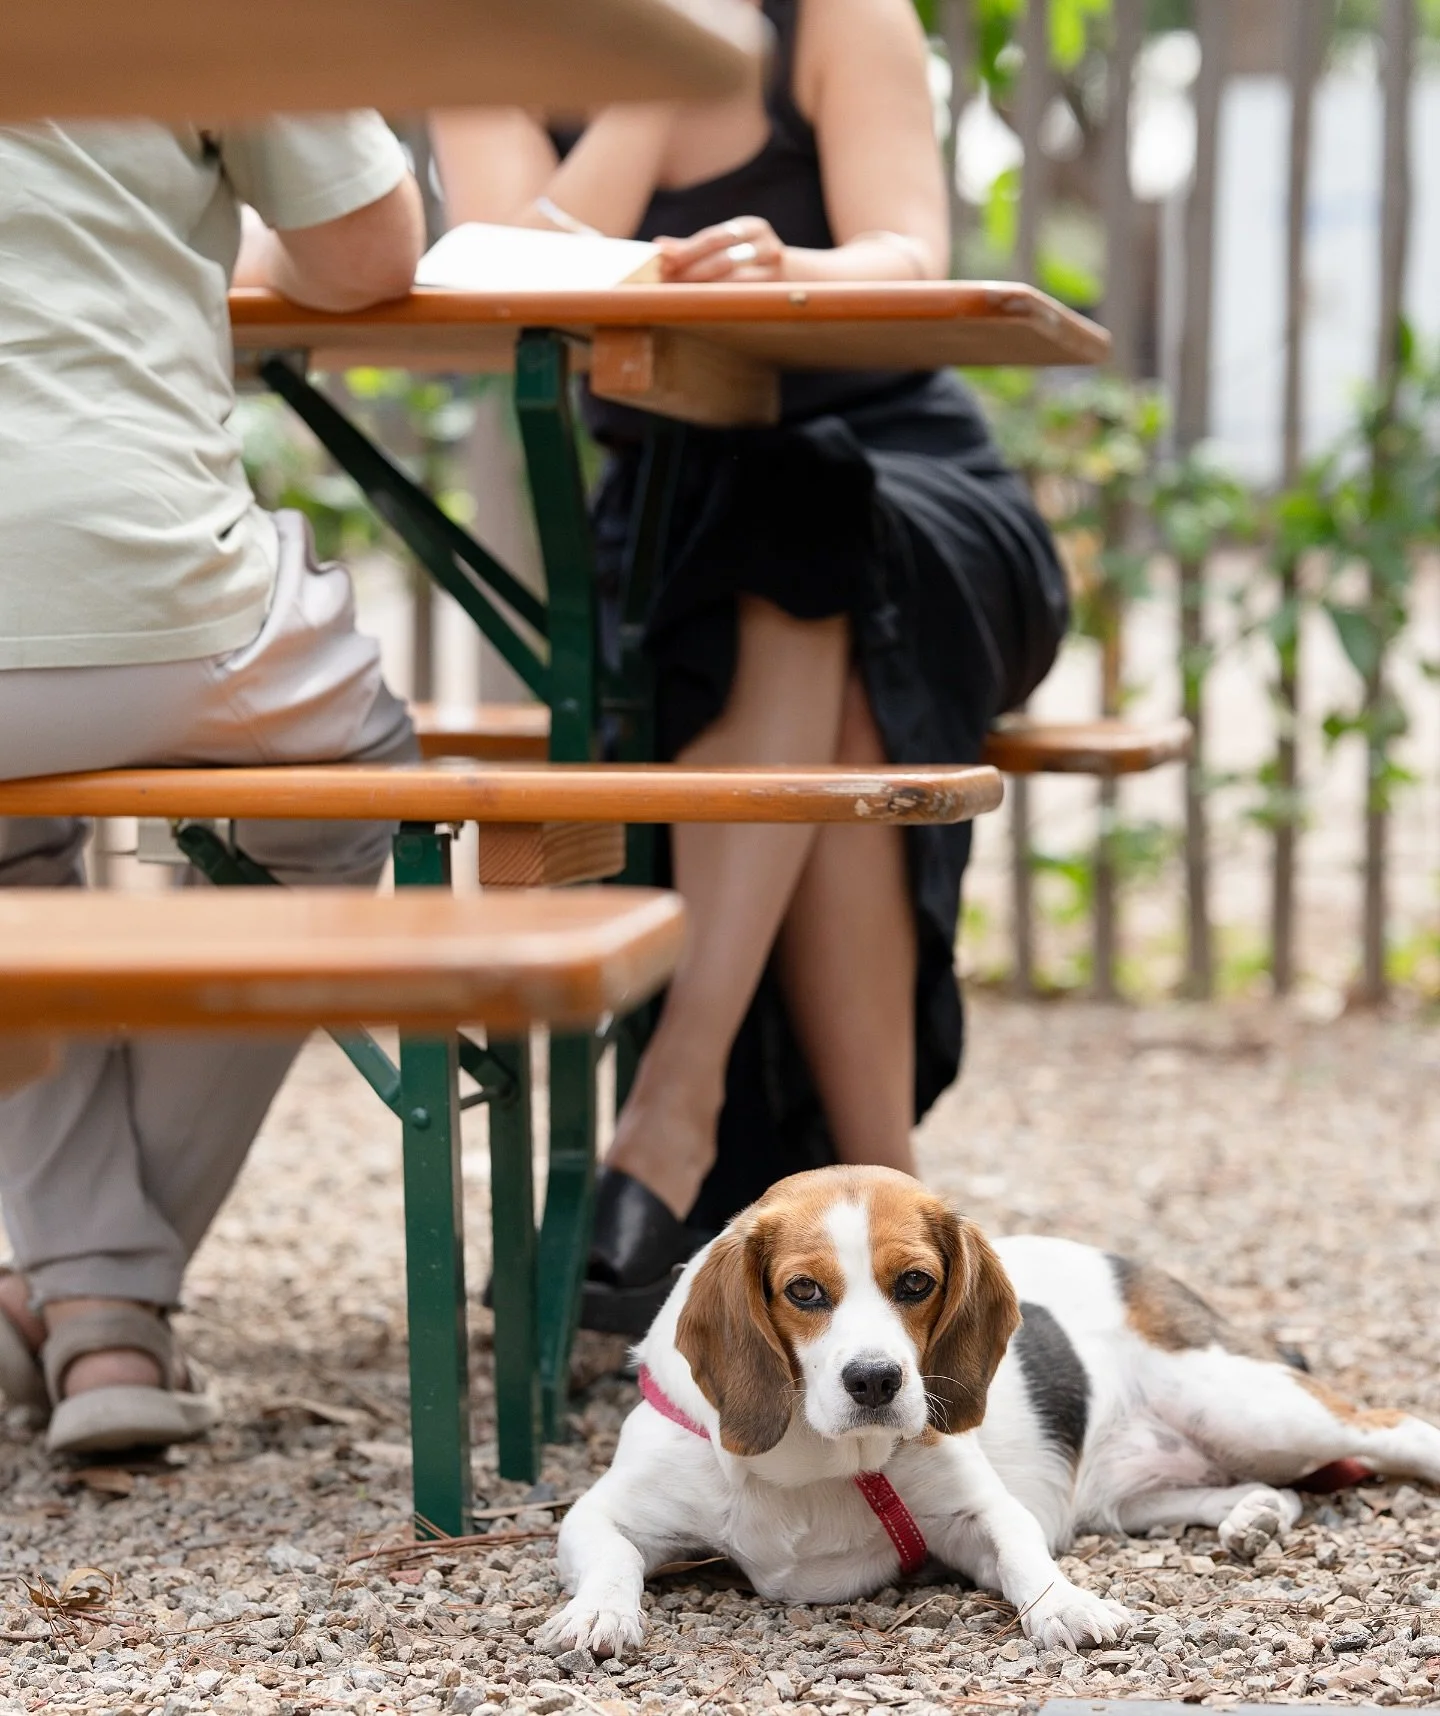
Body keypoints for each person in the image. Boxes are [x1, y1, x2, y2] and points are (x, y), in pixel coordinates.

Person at [432, 0, 1070, 1335]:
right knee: (795, 584)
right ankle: (899, 1218)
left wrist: (794, 266)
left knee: (805, 519)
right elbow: (517, 282)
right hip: (674, 525)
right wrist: (668, 74)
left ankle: (676, 1104)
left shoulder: (841, 14)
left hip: (924, 493)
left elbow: (911, 255)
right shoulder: (485, 40)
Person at [0, 116, 424, 1453]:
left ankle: (83, 1293)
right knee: (350, 798)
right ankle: (107, 1307)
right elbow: (368, 254)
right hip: (153, 589)